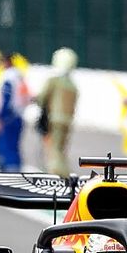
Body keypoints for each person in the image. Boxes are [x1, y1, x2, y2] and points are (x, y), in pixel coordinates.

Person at [36, 47, 79, 177]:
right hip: (67, 121)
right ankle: (63, 174)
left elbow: (42, 98)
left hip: (54, 120)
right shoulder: (73, 86)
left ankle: (59, 176)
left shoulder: (53, 81)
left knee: (54, 150)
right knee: (61, 149)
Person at [0, 52, 28, 172]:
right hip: (18, 115)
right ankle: (15, 173)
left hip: (8, 117)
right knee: (14, 147)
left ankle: (10, 178)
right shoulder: (20, 76)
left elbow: (6, 98)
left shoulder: (8, 77)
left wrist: (0, 119)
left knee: (7, 148)